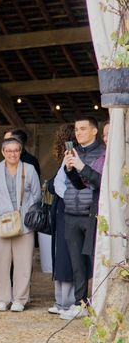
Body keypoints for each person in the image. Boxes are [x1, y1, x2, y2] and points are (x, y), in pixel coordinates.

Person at [0, 138, 41, 312]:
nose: (12, 154)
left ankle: (20, 298)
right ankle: (2, 298)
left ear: (20, 152)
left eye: (16, 150)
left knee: (23, 261)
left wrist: (22, 211)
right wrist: (6, 210)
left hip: (23, 222)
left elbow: (36, 195)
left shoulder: (29, 169)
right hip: (0, 221)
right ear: (3, 152)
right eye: (9, 150)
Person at [60, 117, 106, 320]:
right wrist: (70, 169)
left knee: (96, 261)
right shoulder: (74, 151)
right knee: (76, 263)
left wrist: (81, 166)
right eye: (76, 129)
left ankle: (100, 304)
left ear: (95, 131)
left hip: (91, 214)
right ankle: (80, 303)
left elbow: (101, 183)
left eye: (83, 128)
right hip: (71, 213)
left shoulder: (104, 152)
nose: (78, 133)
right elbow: (78, 185)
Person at [46, 124, 76, 316]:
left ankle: (67, 302)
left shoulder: (74, 159)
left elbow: (55, 185)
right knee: (60, 255)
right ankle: (60, 301)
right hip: (61, 212)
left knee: (67, 257)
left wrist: (50, 184)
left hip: (70, 211)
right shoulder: (65, 161)